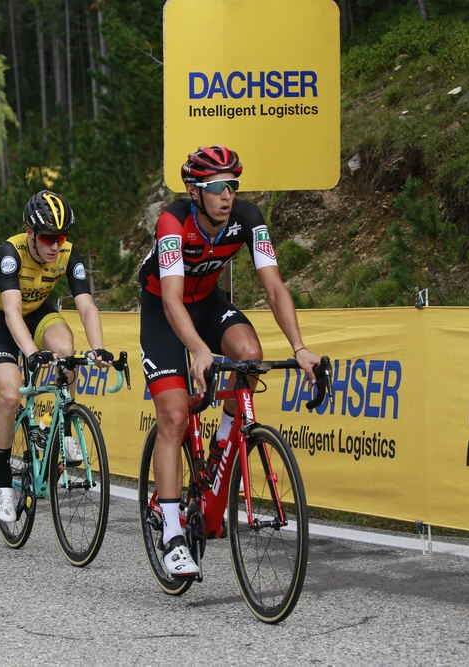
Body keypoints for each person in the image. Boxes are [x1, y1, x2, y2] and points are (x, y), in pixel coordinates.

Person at [137, 145, 321, 576]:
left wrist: (299, 347)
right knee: (174, 415)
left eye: (233, 186)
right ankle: (172, 532)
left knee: (249, 356)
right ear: (195, 191)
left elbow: (274, 287)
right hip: (166, 309)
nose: (227, 196)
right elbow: (170, 299)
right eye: (217, 187)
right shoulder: (172, 222)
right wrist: (199, 349)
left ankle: (224, 442)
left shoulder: (248, 218)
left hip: (208, 302)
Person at [0, 189, 112, 522]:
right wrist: (32, 353)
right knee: (10, 396)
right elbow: (11, 312)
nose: (56, 245)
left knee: (66, 351)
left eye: (61, 237)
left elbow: (86, 306)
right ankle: (2, 481)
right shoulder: (11, 252)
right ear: (31, 234)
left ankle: (65, 429)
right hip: (0, 317)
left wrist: (97, 349)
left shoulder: (68, 253)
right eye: (49, 238)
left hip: (38, 311)